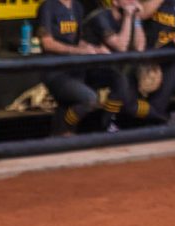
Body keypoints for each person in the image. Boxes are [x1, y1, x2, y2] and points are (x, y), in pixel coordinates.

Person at [35, 0, 104, 135]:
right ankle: (64, 128)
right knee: (89, 99)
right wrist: (76, 50)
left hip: (75, 69)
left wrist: (95, 49)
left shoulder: (77, 6)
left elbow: (79, 40)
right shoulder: (47, 6)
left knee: (66, 107)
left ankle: (59, 138)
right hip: (55, 70)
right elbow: (47, 43)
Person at [82, 0, 151, 130]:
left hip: (112, 69)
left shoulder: (129, 17)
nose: (133, 1)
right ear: (115, 2)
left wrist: (135, 19)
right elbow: (121, 46)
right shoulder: (100, 17)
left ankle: (163, 120)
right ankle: (107, 126)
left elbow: (140, 46)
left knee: (130, 103)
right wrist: (129, 16)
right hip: (86, 70)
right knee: (120, 80)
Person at [139, 0, 175, 122]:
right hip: (143, 55)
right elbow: (141, 14)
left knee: (158, 103)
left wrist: (155, 58)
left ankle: (161, 121)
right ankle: (168, 119)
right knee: (129, 99)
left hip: (171, 57)